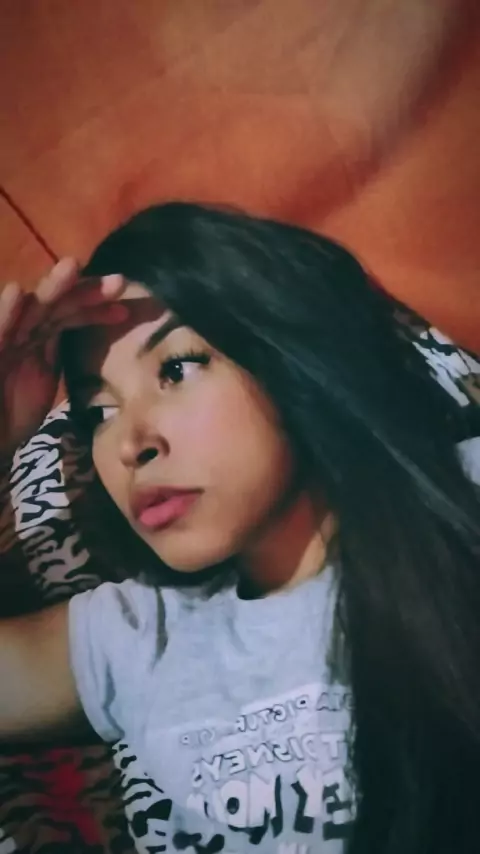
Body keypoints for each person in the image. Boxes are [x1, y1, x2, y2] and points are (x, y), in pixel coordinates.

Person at [0, 202, 479, 854]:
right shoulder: (139, 632)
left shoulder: (461, 496)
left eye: (176, 368)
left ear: (286, 353)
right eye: (97, 415)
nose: (130, 444)